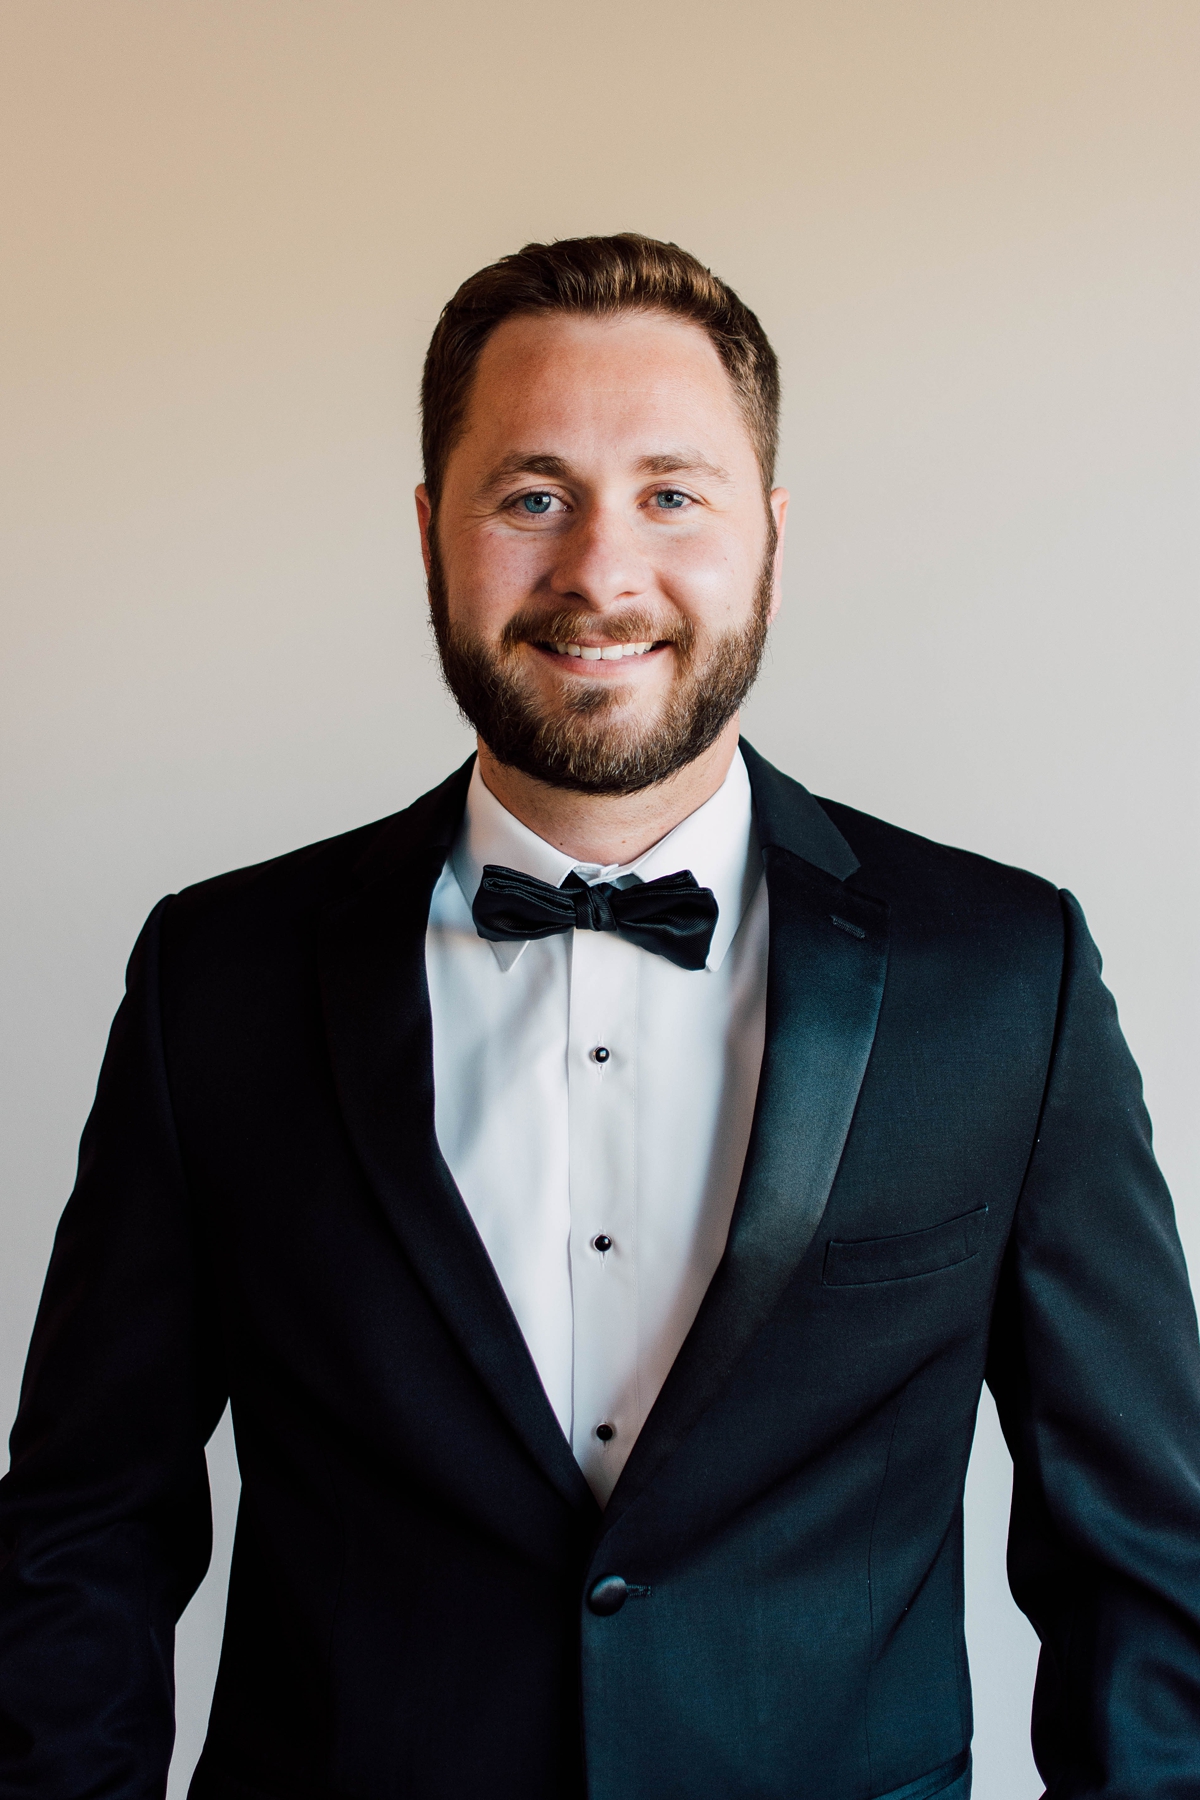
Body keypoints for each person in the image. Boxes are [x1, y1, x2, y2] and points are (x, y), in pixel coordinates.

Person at [1, 233, 1198, 1800]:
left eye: (672, 496)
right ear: (433, 533)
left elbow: (1146, 1570)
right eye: (533, 495)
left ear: (770, 536)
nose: (601, 575)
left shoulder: (1007, 977)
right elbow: (84, 1533)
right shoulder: (213, 981)